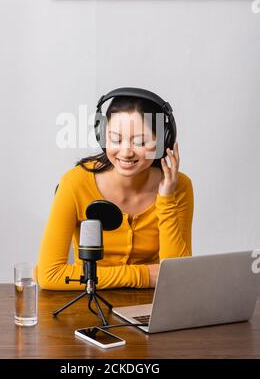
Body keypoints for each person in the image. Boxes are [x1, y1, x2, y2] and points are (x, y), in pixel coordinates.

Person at [36, 93, 194, 290]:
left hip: (151, 308)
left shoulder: (179, 187)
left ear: (163, 142)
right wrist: (144, 275)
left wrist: (166, 197)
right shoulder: (75, 183)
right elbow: (49, 274)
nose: (126, 152)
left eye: (139, 142)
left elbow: (178, 276)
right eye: (116, 140)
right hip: (88, 305)